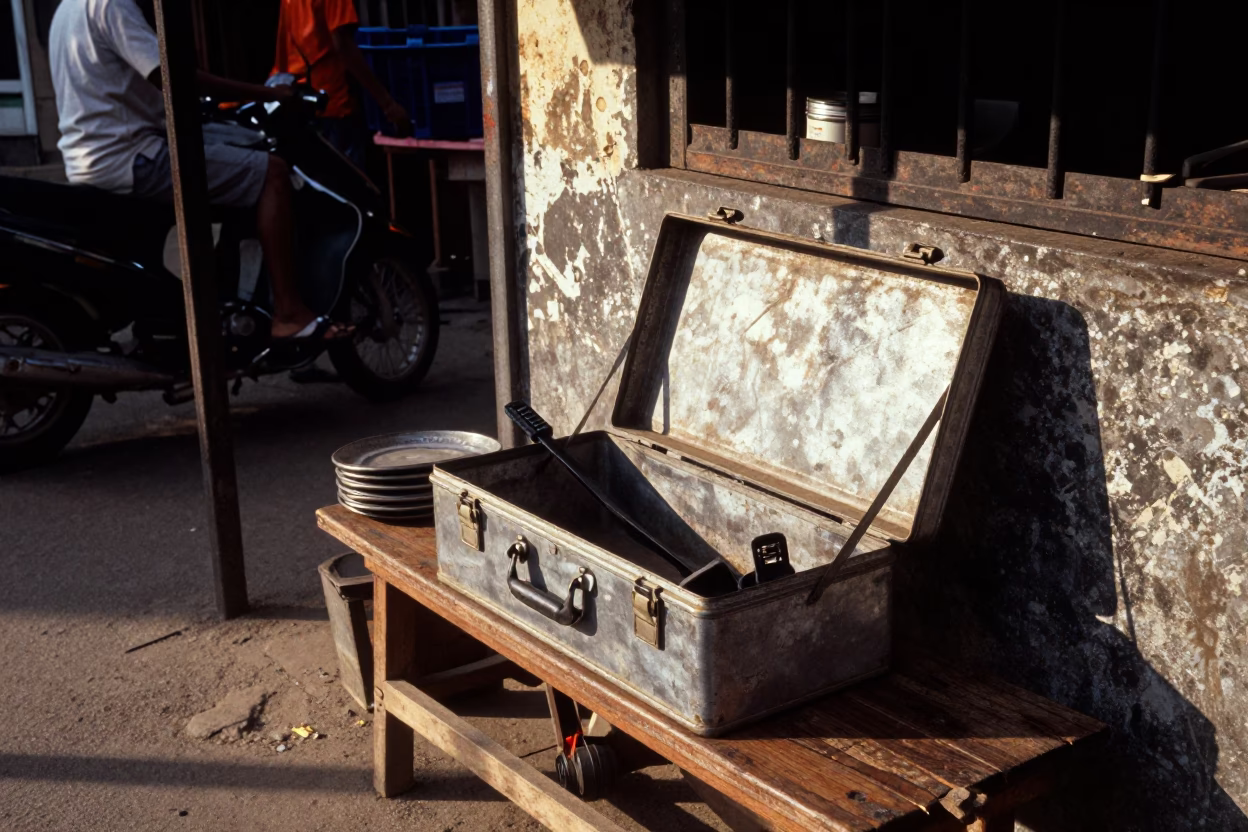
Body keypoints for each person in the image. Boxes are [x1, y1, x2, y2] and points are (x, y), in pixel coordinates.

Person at [48, 0, 350, 342]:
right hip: (131, 156)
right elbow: (173, 78)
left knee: (234, 166)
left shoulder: (67, 9)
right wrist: (269, 94)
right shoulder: (110, 5)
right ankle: (289, 314)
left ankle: (227, 298)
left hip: (89, 159)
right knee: (272, 172)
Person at [271, 0, 412, 167]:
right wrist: (388, 105)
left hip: (300, 99)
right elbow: (343, 45)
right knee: (347, 183)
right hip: (332, 103)